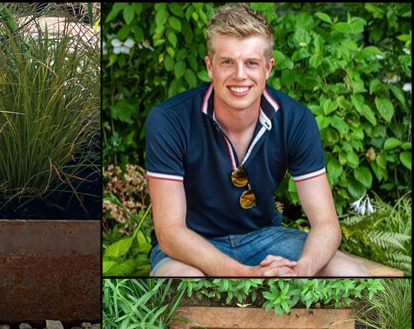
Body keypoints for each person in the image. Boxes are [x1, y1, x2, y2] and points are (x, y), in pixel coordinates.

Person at [143, 3, 369, 277]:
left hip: (265, 238)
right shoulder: (169, 119)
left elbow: (326, 224)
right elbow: (170, 233)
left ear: (268, 68)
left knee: (345, 270)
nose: (240, 75)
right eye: (227, 62)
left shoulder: (296, 120)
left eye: (251, 63)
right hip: (193, 246)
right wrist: (242, 273)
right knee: (182, 281)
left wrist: (303, 269)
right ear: (210, 66)